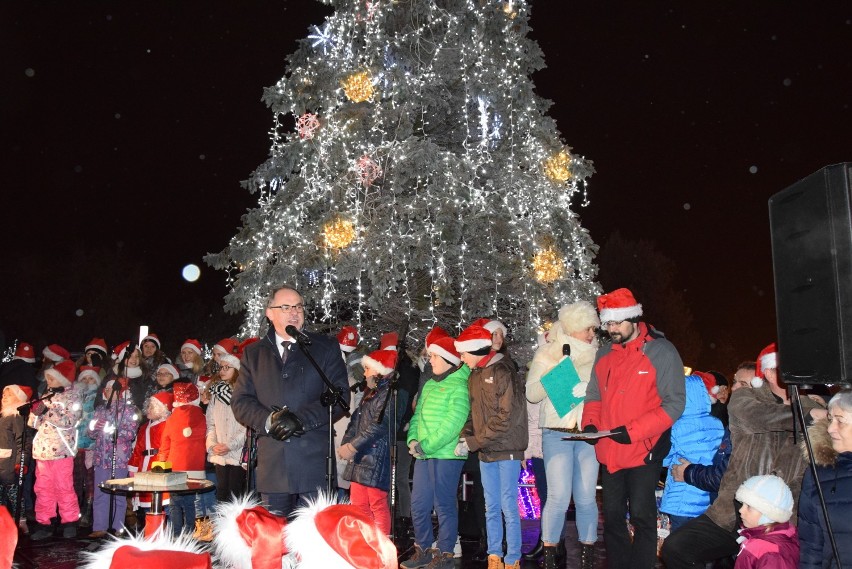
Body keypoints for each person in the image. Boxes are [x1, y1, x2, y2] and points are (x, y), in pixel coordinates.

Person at [660, 342, 820, 568]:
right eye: (776, 370)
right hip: (729, 513)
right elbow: (761, 417)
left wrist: (813, 409)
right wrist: (811, 414)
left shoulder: (813, 407)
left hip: (779, 521)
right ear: (767, 372)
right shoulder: (747, 400)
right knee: (676, 547)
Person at [582, 287, 686, 569]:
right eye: (608, 324)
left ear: (633, 318)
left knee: (642, 517)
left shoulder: (661, 350)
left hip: (643, 449)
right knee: (613, 519)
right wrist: (590, 424)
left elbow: (674, 403)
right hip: (610, 452)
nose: (612, 329)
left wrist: (634, 431)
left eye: (617, 323)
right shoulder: (604, 354)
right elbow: (594, 396)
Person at [231, 284, 350, 517]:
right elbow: (241, 402)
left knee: (315, 541)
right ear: (269, 312)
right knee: (274, 543)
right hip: (273, 465)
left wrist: (299, 421)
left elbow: (340, 395)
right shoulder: (254, 353)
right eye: (285, 307)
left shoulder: (324, 347)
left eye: (298, 307)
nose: (294, 312)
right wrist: (269, 420)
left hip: (314, 465)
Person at [525, 300, 601, 569]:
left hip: (588, 432)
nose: (592, 334)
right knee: (557, 496)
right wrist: (559, 374)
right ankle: (549, 555)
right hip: (556, 431)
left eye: (594, 328)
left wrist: (590, 389)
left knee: (585, 496)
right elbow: (531, 393)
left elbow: (608, 393)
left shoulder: (599, 356)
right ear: (573, 326)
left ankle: (587, 556)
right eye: (587, 328)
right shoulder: (548, 352)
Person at [457, 323, 528, 569]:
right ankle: (494, 555)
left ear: (475, 350)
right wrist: (465, 437)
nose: (462, 359)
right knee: (491, 505)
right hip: (486, 450)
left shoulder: (503, 371)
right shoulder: (474, 375)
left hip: (506, 448)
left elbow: (506, 416)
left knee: (508, 504)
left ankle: (513, 558)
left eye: (464, 353)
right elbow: (472, 415)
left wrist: (475, 441)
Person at [402, 335, 470, 569]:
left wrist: (425, 445)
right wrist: (412, 439)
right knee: (419, 504)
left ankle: (446, 553)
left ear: (448, 359)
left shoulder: (460, 386)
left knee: (444, 504)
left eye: (434, 356)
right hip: (424, 453)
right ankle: (424, 549)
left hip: (447, 455)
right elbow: (417, 415)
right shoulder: (430, 384)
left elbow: (452, 423)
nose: (430, 360)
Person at [338, 349, 401, 535]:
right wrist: (346, 443)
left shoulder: (387, 394)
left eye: (367, 369)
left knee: (377, 504)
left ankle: (381, 549)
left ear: (377, 370)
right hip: (361, 456)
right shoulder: (370, 393)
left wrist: (353, 445)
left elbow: (378, 426)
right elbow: (355, 421)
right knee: (358, 505)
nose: (364, 373)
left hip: (375, 456)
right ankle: (364, 543)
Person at [660, 373, 725, 532]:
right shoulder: (717, 423)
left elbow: (665, 458)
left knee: (678, 543)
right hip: (705, 492)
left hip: (681, 495)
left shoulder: (676, 426)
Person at [29, 359, 83, 540]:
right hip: (42, 451)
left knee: (63, 486)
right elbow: (34, 423)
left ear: (63, 379)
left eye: (52, 377)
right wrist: (35, 413)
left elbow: (69, 421)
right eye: (48, 377)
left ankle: (69, 521)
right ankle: (44, 522)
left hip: (62, 450)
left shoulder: (73, 397)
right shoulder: (46, 395)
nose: (49, 381)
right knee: (42, 488)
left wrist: (45, 412)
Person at [797, 389, 852, 568]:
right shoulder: (818, 473)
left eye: (840, 421)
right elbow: (811, 545)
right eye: (830, 419)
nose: (830, 428)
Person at [87, 378, 141, 538]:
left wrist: (111, 429)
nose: (109, 392)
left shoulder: (129, 410)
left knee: (118, 494)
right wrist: (94, 428)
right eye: (107, 389)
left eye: (113, 389)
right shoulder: (100, 409)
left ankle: (119, 527)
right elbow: (91, 433)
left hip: (119, 459)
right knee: (100, 493)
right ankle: (99, 526)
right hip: (101, 458)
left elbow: (130, 434)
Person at [157, 381, 206, 536]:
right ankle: (191, 533)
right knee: (191, 503)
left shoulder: (172, 419)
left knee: (175, 503)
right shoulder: (203, 417)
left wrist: (159, 467)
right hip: (195, 467)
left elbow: (165, 445)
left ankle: (176, 535)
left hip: (175, 466)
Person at [205, 349, 247, 502]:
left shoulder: (243, 394)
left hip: (237, 452)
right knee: (222, 492)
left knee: (235, 494)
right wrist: (213, 445)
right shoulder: (216, 394)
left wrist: (230, 445)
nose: (222, 371)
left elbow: (246, 426)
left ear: (236, 370)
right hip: (220, 453)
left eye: (226, 367)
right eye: (220, 367)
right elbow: (210, 424)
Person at [127, 391, 173, 524]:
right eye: (148, 406)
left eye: (152, 406)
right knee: (147, 503)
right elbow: (138, 449)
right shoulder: (143, 427)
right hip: (144, 466)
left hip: (160, 466)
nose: (148, 409)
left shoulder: (168, 425)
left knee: (165, 502)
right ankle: (152, 530)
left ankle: (168, 532)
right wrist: (133, 468)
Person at [733, 475, 798, 568]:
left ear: (768, 515)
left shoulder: (771, 554)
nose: (741, 510)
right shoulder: (784, 533)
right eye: (742, 504)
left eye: (749, 507)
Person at [0, 384, 32, 534]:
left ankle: (21, 520)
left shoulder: (16, 416)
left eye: (9, 395)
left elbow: (22, 441)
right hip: (1, 460)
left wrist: (21, 462)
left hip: (10, 462)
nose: (4, 397)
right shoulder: (4, 415)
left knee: (13, 493)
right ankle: (4, 522)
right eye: (3, 395)